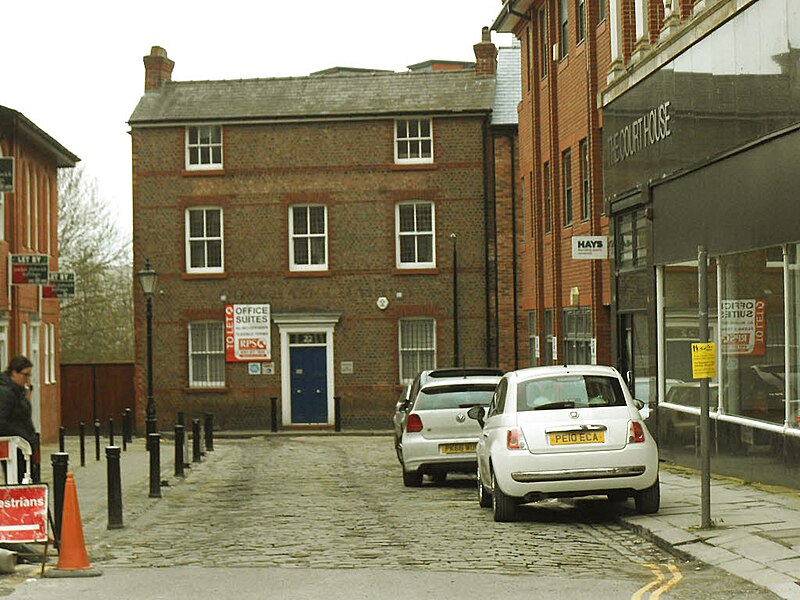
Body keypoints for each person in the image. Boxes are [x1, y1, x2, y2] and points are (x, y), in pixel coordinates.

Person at [0, 355, 38, 482]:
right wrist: (22, 435)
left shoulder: (18, 390)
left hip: (23, 445)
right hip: (15, 445)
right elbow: (2, 421)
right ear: (14, 373)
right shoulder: (5, 392)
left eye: (29, 375)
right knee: (17, 480)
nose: (27, 379)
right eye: (25, 375)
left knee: (28, 478)